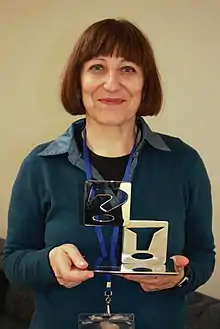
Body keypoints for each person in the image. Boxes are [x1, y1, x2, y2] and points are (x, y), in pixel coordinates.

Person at [3, 18, 215, 329]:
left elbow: (203, 255)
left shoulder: (183, 162)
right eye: (97, 67)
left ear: (146, 83)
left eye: (128, 69)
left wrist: (182, 274)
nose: (112, 84)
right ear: (79, 80)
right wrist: (48, 262)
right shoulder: (41, 165)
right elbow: (13, 260)